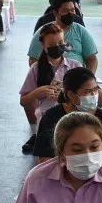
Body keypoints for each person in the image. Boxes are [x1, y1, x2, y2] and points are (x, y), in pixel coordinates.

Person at [19, 24, 82, 154]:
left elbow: (84, 95)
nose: (57, 47)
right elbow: (23, 101)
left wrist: (65, 92)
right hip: (47, 117)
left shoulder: (74, 66)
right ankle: (37, 137)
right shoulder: (36, 68)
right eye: (52, 45)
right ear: (44, 47)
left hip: (71, 114)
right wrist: (38, 92)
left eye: (60, 42)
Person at [31, 67, 102, 163]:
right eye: (87, 92)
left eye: (95, 90)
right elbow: (44, 158)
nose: (94, 95)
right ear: (71, 95)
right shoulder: (51, 116)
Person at [29, 0, 98, 72]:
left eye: (72, 10)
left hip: (77, 77)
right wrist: (45, 76)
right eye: (65, 11)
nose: (70, 14)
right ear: (55, 13)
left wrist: (87, 78)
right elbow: (32, 59)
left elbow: (92, 59)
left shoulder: (81, 31)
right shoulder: (43, 32)